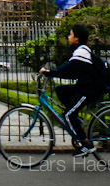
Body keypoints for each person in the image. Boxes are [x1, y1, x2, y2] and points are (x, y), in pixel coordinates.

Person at [39, 23, 101, 157]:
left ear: (76, 38)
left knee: (68, 114)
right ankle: (76, 120)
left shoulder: (81, 52)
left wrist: (49, 72)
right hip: (84, 86)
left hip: (89, 90)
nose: (68, 37)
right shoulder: (82, 51)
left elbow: (67, 70)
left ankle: (86, 144)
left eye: (70, 34)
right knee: (61, 90)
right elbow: (72, 72)